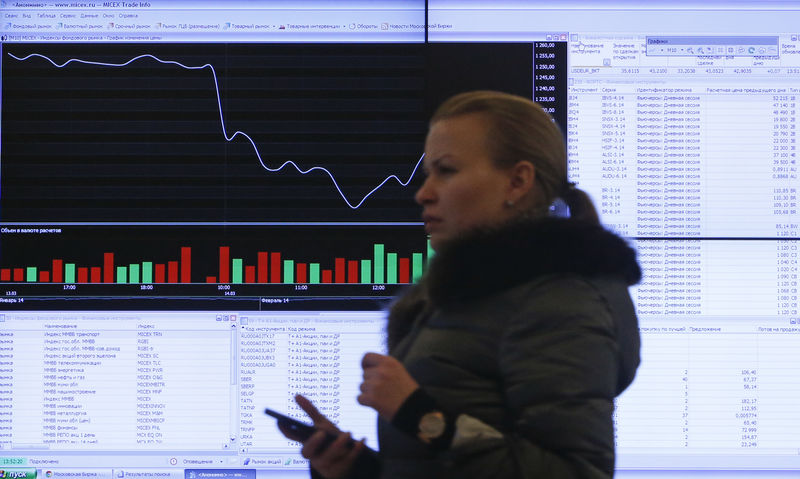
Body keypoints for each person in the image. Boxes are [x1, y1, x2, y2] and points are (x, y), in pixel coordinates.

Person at [279, 90, 641, 478]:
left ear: (517, 181)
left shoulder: (558, 301)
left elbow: (575, 472)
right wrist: (357, 470)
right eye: (426, 174)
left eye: (446, 171)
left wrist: (419, 416)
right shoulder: (469, 295)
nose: (423, 193)